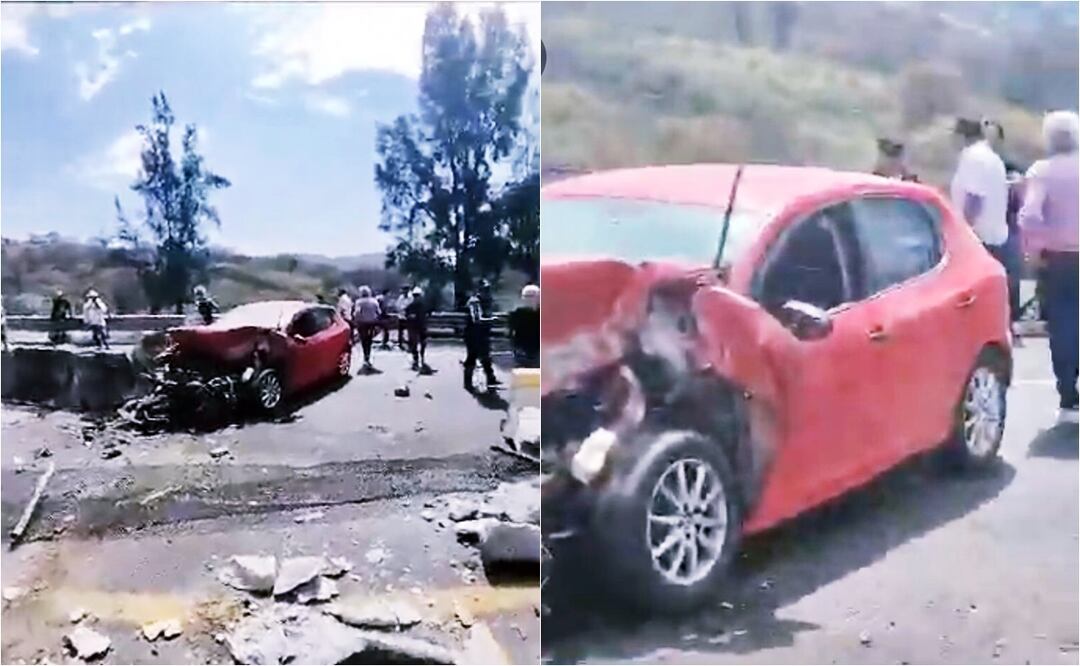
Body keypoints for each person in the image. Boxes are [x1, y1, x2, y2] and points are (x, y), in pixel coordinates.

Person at [1018, 111, 1079, 424]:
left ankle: (1069, 398)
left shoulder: (1041, 171)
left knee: (1063, 324)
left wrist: (1035, 248)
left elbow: (1029, 216)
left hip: (1058, 258)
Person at [982, 119, 1026, 338]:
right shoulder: (978, 165)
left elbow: (1022, 193)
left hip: (1008, 227)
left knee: (1011, 279)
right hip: (984, 229)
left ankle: (1011, 322)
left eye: (992, 136)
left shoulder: (1009, 166)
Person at [951, 116, 1009, 277]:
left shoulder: (974, 157)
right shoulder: (989, 157)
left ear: (961, 136)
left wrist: (962, 233)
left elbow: (974, 199)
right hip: (993, 240)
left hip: (980, 241)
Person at [463, 279, 500, 392]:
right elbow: (477, 319)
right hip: (473, 334)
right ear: (479, 290)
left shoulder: (487, 301)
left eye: (488, 290)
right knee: (472, 357)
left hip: (482, 333)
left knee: (486, 356)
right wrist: (492, 319)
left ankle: (491, 379)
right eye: (485, 290)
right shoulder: (474, 301)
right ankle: (467, 383)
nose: (487, 292)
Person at [508, 284, 540, 368]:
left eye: (532, 296)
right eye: (526, 296)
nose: (529, 299)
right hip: (522, 351)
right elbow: (511, 333)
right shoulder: (516, 314)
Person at [352, 285, 382, 371]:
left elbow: (357, 312)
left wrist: (356, 319)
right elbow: (379, 312)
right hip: (372, 323)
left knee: (363, 340)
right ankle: (368, 356)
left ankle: (366, 357)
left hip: (362, 324)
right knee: (369, 340)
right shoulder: (374, 301)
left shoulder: (359, 302)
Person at [403, 286, 429, 371]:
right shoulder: (410, 306)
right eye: (415, 296)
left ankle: (422, 359)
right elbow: (406, 314)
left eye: (417, 296)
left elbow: (427, 314)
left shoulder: (423, 305)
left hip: (421, 326)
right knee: (413, 344)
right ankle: (416, 360)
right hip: (413, 327)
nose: (416, 297)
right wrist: (410, 317)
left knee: (423, 343)